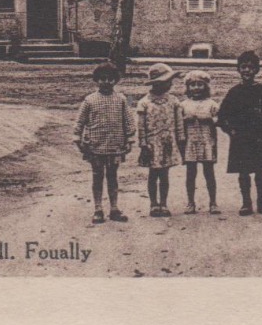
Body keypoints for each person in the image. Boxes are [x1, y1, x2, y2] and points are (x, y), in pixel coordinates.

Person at [73, 62, 135, 224]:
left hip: (115, 145)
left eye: (110, 79)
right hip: (95, 145)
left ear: (115, 80)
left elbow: (129, 121)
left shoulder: (121, 99)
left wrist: (129, 139)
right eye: (102, 79)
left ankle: (114, 208)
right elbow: (80, 121)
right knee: (97, 176)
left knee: (113, 176)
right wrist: (77, 137)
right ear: (97, 80)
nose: (106, 82)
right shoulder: (89, 100)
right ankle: (98, 208)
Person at [219, 51, 262, 217]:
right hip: (241, 139)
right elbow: (222, 116)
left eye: (251, 67)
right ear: (238, 69)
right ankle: (246, 203)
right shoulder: (234, 92)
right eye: (243, 67)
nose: (247, 71)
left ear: (257, 70)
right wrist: (231, 131)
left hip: (259, 139)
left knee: (260, 170)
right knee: (243, 171)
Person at [135, 63, 182, 217]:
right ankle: (153, 204)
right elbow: (141, 126)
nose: (170, 84)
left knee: (164, 175)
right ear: (157, 83)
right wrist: (143, 143)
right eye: (167, 81)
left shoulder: (173, 101)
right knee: (153, 174)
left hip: (167, 142)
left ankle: (163, 203)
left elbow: (178, 122)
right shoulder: (145, 103)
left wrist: (180, 138)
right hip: (152, 144)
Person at [179, 70, 220, 215]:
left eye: (200, 85)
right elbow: (178, 123)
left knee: (209, 172)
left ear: (206, 87)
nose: (196, 88)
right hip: (190, 142)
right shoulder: (183, 105)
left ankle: (213, 202)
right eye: (192, 85)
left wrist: (209, 119)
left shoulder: (211, 104)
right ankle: (190, 202)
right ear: (187, 87)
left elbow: (219, 120)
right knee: (191, 173)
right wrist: (185, 120)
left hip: (207, 141)